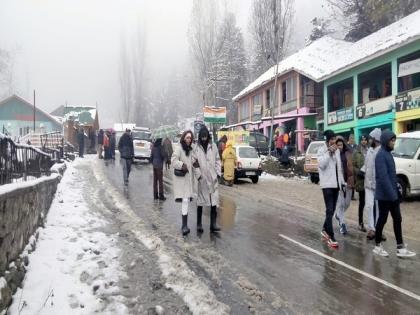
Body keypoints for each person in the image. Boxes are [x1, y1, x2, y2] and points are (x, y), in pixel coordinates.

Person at [373, 130, 416, 258]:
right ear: (386, 141)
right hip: (385, 195)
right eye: (392, 141)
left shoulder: (388, 154)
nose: (393, 143)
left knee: (397, 219)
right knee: (382, 219)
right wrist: (393, 196)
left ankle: (400, 247)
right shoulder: (381, 155)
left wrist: (396, 192)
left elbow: (392, 176)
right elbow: (383, 177)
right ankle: (377, 245)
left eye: (394, 141)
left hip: (392, 194)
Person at [317, 130, 345, 248]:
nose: (333, 141)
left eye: (334, 139)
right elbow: (322, 165)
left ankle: (324, 228)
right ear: (327, 140)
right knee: (329, 209)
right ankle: (331, 236)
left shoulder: (337, 151)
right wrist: (329, 153)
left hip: (336, 184)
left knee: (332, 210)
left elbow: (339, 168)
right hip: (327, 184)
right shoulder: (321, 150)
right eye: (331, 139)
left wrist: (342, 182)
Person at [193, 126, 222, 233]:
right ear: (200, 137)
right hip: (202, 179)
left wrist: (218, 173)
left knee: (214, 201)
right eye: (202, 137)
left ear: (208, 136)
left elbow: (218, 160)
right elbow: (194, 163)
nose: (204, 139)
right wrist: (199, 175)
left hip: (213, 178)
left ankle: (213, 224)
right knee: (200, 201)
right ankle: (199, 224)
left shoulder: (213, 146)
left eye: (205, 137)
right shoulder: (196, 147)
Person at [171, 130, 195, 235]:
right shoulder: (179, 148)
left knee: (186, 200)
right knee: (185, 200)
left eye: (190, 138)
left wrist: (199, 176)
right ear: (184, 138)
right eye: (187, 138)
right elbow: (173, 161)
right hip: (182, 180)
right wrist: (182, 165)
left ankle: (185, 225)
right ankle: (184, 226)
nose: (189, 140)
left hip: (189, 180)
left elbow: (194, 163)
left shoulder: (191, 149)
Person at [334, 136, 354, 235]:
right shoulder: (334, 155)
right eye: (337, 145)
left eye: (341, 145)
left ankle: (338, 214)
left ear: (344, 144)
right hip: (339, 183)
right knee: (341, 204)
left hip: (349, 181)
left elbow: (352, 167)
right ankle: (342, 224)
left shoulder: (349, 153)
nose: (339, 147)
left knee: (347, 203)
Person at [364, 128, 381, 240]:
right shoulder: (369, 151)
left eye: (371, 138)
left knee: (379, 208)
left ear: (376, 139)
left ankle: (378, 229)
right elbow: (366, 165)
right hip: (368, 184)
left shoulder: (380, 151)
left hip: (378, 184)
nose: (369, 140)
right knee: (369, 206)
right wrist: (362, 171)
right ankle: (371, 229)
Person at [353, 135, 368, 232]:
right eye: (362, 140)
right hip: (361, 180)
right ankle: (360, 223)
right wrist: (358, 172)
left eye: (365, 139)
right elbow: (353, 165)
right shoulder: (356, 151)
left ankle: (372, 225)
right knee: (362, 202)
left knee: (371, 203)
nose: (364, 141)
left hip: (370, 179)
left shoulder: (370, 150)